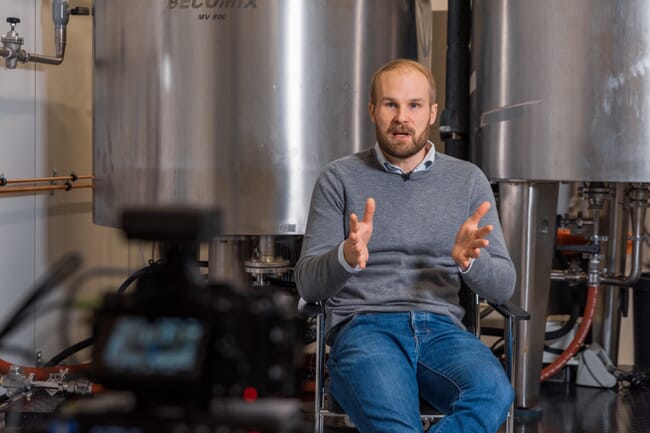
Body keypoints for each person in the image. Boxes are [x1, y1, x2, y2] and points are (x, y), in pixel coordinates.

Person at [294, 58, 517, 433]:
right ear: (372, 111)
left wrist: (469, 263)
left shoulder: (467, 180)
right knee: (396, 425)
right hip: (363, 328)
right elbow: (308, 285)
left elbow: (505, 285)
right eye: (390, 104)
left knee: (493, 393)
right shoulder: (339, 178)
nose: (402, 117)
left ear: (431, 113)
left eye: (414, 105)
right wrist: (345, 258)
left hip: (442, 331)